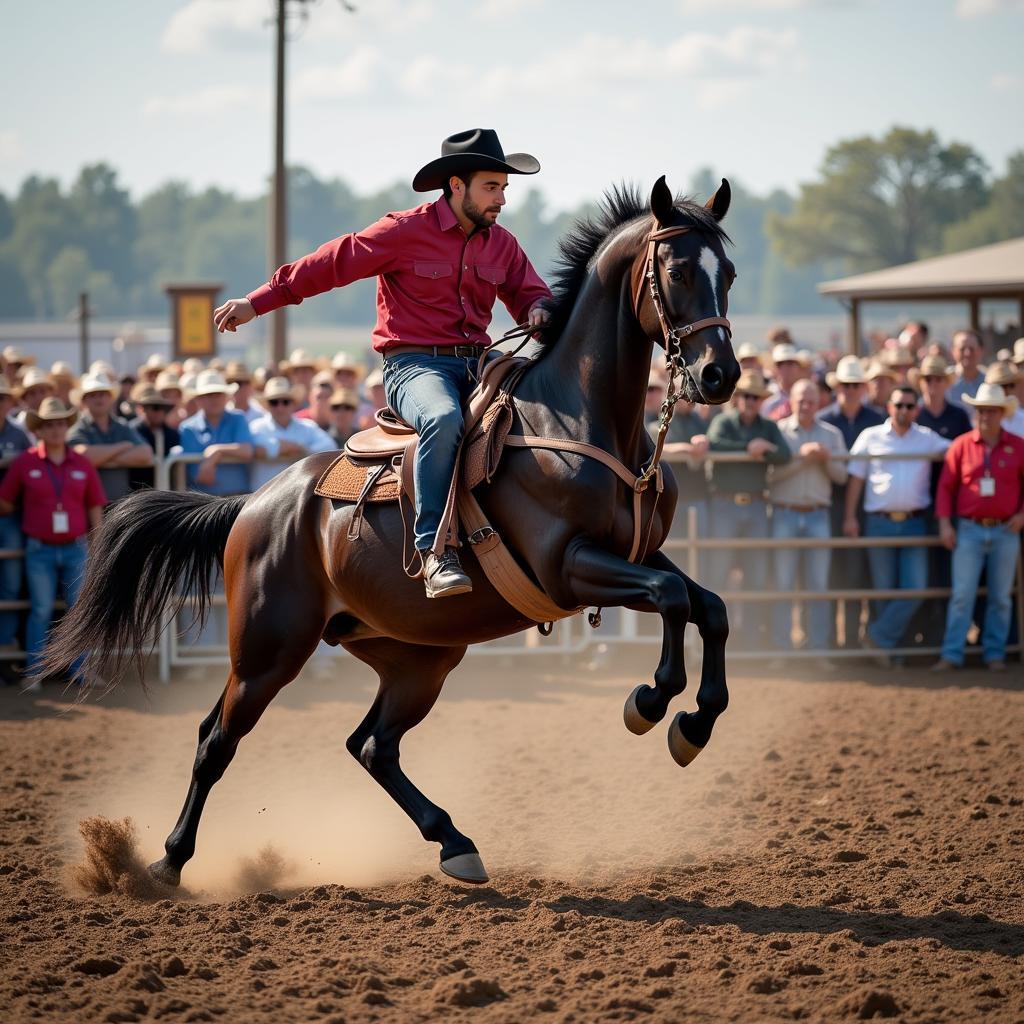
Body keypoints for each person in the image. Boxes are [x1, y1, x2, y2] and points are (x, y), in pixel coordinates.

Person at [213, 128, 552, 598]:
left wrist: (539, 309)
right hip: (414, 366)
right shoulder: (402, 231)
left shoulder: (503, 244)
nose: (501, 199)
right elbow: (330, 264)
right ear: (456, 185)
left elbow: (529, 293)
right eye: (491, 187)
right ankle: (435, 550)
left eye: (504, 188)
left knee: (546, 401)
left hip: (479, 362)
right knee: (441, 417)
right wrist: (258, 301)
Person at [0, 397, 106, 687]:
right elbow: (5, 501)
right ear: (40, 430)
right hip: (39, 547)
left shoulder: (82, 463)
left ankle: (81, 670)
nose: (56, 430)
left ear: (66, 427)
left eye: (60, 424)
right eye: (49, 425)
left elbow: (94, 506)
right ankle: (36, 671)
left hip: (75, 547)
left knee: (77, 609)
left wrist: (97, 543)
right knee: (41, 610)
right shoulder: (25, 462)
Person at [844, 386, 951, 663]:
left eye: (909, 405)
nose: (904, 410)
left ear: (916, 409)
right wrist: (849, 516)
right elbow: (855, 478)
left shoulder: (927, 438)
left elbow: (956, 452)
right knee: (884, 591)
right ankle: (891, 655)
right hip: (879, 522)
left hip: (914, 522)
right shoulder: (870, 437)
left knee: (914, 589)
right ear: (889, 407)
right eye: (899, 405)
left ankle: (877, 638)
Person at [932, 383, 1024, 672]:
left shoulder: (1019, 446)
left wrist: (1023, 514)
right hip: (969, 529)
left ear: (1001, 414)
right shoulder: (961, 446)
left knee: (1000, 597)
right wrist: (946, 524)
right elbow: (946, 488)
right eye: (982, 410)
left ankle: (993, 653)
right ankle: (952, 653)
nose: (986, 416)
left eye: (991, 411)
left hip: (1005, 530)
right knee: (962, 595)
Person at [706, 369, 791, 649]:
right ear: (737, 398)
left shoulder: (768, 427)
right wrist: (750, 447)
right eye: (745, 396)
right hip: (725, 506)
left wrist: (762, 447)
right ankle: (716, 639)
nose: (750, 401)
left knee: (756, 574)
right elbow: (714, 444)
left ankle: (752, 640)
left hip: (755, 505)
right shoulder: (724, 422)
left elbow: (785, 455)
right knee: (718, 572)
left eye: (755, 397)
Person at [768, 379, 848, 660]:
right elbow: (770, 477)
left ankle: (818, 651)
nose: (806, 405)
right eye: (801, 400)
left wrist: (825, 459)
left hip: (817, 515)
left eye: (811, 401)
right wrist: (802, 459)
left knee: (818, 586)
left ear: (820, 403)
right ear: (791, 399)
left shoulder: (832, 434)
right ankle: (781, 650)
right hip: (785, 513)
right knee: (783, 584)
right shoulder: (777, 431)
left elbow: (841, 476)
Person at [818, 355, 885, 648]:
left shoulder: (877, 421)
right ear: (838, 387)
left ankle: (856, 640)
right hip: (831, 504)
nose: (850, 389)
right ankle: (833, 638)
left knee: (860, 573)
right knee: (833, 571)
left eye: (855, 384)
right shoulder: (825, 422)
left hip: (866, 505)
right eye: (846, 384)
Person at [67, 373, 153, 503]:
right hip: (87, 504)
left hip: (119, 505)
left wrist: (101, 457)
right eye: (92, 395)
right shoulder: (78, 429)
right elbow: (83, 456)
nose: (98, 399)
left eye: (102, 394)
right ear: (84, 401)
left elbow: (145, 453)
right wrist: (122, 446)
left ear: (110, 398)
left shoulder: (122, 426)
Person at [249, 377, 337, 490]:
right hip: (262, 500)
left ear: (293, 404)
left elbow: (330, 445)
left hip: (296, 500)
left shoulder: (307, 426)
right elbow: (258, 449)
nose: (280, 407)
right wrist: (295, 448)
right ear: (267, 405)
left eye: (285, 402)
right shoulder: (256, 426)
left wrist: (302, 449)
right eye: (274, 402)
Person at [176, 370, 254, 495]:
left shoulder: (238, 418)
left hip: (239, 498)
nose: (214, 399)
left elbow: (247, 451)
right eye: (208, 395)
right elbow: (198, 475)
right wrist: (224, 453)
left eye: (218, 394)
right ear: (198, 400)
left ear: (225, 397)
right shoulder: (188, 428)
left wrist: (217, 451)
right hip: (202, 502)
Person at [0, 377, 32, 679]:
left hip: (8, 515)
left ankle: (6, 649)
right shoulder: (21, 436)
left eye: (2, 398)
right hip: (9, 514)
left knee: (11, 586)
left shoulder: (20, 435)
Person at [127, 383, 179, 489]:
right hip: (137, 491)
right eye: (154, 407)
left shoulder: (172, 434)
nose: (159, 412)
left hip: (166, 492)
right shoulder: (131, 431)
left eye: (163, 408)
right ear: (142, 409)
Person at [761, 342, 804, 420]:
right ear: (774, 369)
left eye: (790, 363)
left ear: (797, 368)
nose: (786, 368)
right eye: (780, 364)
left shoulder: (806, 396)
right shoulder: (767, 398)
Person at [948, 329, 986, 408]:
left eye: (971, 349)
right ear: (953, 351)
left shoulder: (989, 382)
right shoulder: (943, 382)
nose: (967, 353)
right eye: (962, 349)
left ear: (981, 351)